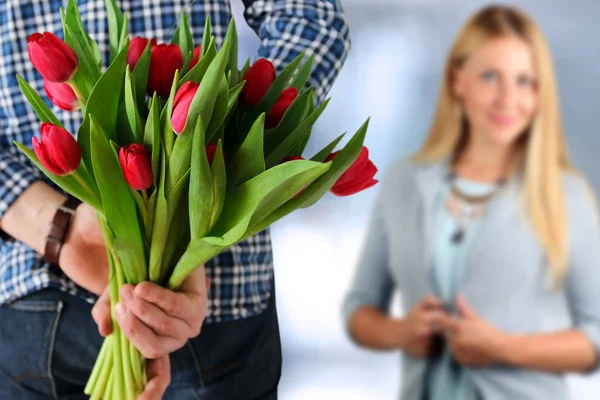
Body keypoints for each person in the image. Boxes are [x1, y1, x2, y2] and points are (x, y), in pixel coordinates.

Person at [0, 0, 351, 399]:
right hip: (36, 298)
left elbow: (310, 17)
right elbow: (313, 16)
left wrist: (239, 126)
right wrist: (63, 230)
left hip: (214, 297)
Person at [342, 5, 600, 400]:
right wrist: (401, 332)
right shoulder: (403, 183)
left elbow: (595, 338)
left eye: (525, 82)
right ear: (457, 80)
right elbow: (359, 311)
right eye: (490, 77)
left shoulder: (565, 193)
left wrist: (503, 348)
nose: (507, 99)